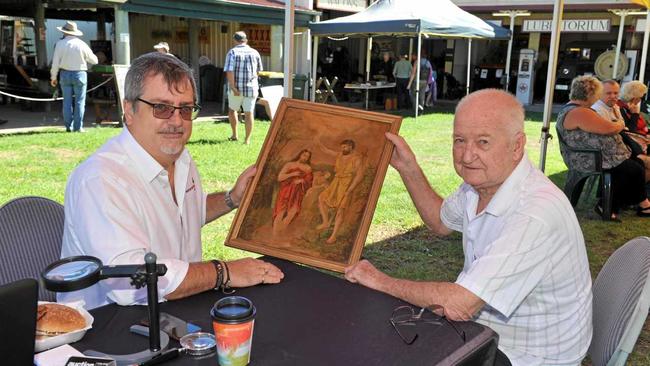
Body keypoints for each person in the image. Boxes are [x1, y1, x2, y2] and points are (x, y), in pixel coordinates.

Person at [345, 89, 593, 366]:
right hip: (485, 331)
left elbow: (458, 305)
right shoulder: (483, 183)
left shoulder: (535, 213)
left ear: (517, 146)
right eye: (459, 140)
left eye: (483, 142)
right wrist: (408, 168)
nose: (466, 156)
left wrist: (379, 281)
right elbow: (440, 221)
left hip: (528, 356)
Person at [59, 52, 283, 310]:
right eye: (161, 108)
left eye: (186, 109)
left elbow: (183, 215)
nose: (176, 121)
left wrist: (232, 198)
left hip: (178, 309)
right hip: (107, 331)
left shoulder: (180, 157)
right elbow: (133, 282)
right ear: (129, 110)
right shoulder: (100, 179)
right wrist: (224, 272)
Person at [558, 76, 650, 220]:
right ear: (590, 94)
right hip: (588, 158)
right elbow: (609, 129)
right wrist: (620, 124)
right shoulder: (580, 112)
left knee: (635, 165)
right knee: (633, 169)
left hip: (594, 156)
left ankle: (624, 204)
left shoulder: (576, 109)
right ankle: (608, 206)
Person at [592, 80, 650, 182]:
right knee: (638, 168)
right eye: (609, 93)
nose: (614, 96)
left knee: (640, 166)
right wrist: (635, 115)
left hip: (626, 147)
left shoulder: (615, 107)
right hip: (615, 153)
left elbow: (621, 128)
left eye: (616, 93)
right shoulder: (615, 108)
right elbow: (625, 130)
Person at [50, 21, 98, 132]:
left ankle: (68, 127)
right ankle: (78, 127)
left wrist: (53, 77)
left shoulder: (59, 44)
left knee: (66, 102)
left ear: (64, 32)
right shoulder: (82, 44)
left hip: (65, 74)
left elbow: (55, 62)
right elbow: (95, 60)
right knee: (80, 102)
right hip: (80, 74)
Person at [317, 140, 363, 244]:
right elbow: (327, 151)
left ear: (351, 147)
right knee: (321, 197)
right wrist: (319, 143)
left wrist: (350, 189)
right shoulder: (339, 155)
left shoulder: (356, 159)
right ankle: (325, 222)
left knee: (341, 210)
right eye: (342, 147)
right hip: (335, 183)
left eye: (345, 147)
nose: (343, 149)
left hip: (346, 185)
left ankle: (333, 236)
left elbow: (359, 176)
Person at [224, 31, 263, 145]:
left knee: (232, 111)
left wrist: (233, 86)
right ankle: (247, 140)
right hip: (251, 88)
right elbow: (258, 71)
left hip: (237, 88)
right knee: (249, 113)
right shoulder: (255, 52)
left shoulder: (232, 52)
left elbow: (229, 71)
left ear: (235, 40)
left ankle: (235, 135)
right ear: (246, 40)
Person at [273, 149, 313, 234]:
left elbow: (309, 182)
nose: (305, 158)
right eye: (304, 155)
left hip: (298, 193)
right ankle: (274, 233)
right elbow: (280, 177)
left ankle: (280, 232)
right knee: (281, 211)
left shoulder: (308, 168)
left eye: (307, 157)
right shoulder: (289, 164)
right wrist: (292, 174)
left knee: (293, 212)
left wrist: (302, 181)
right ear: (300, 155)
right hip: (286, 190)